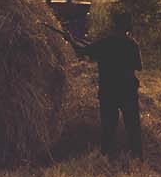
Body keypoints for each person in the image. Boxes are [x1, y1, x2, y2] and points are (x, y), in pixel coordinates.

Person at [60, 11, 144, 161]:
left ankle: (107, 158)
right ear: (127, 27)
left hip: (108, 91)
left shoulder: (104, 43)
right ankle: (137, 159)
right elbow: (139, 67)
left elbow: (83, 51)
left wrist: (70, 39)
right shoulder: (132, 44)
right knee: (133, 127)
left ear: (114, 26)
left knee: (108, 128)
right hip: (128, 91)